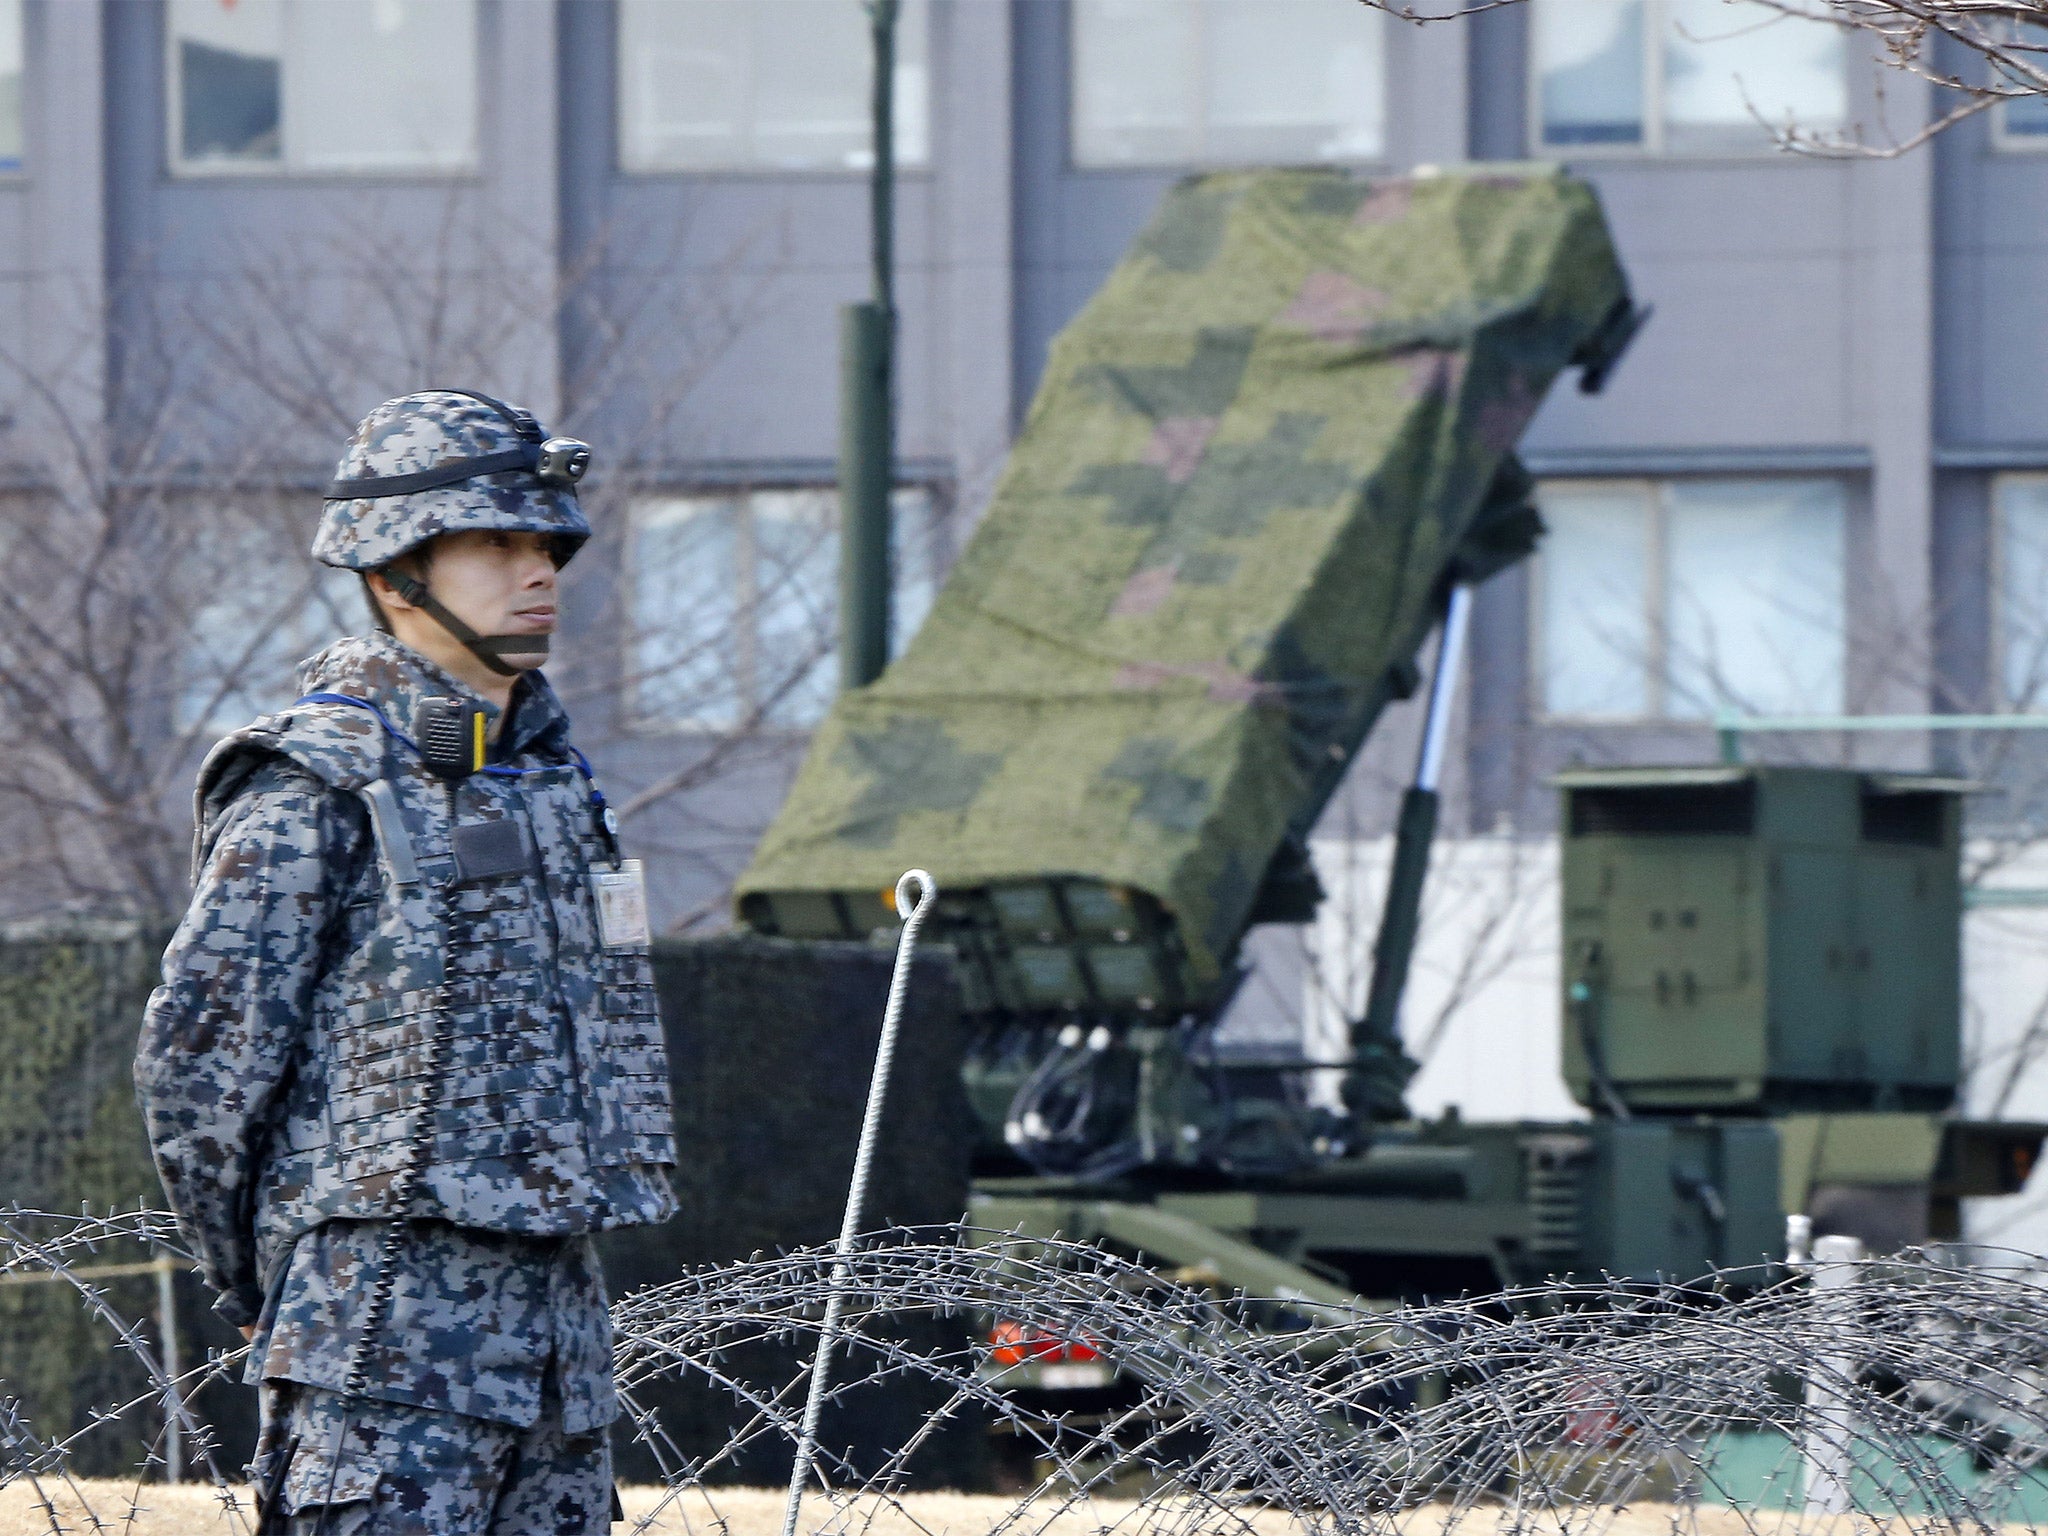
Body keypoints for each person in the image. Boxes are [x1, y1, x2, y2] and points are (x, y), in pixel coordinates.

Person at [134, 389, 677, 1535]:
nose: (537, 573)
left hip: (553, 1356)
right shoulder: (312, 783)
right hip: (380, 1340)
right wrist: (255, 1281)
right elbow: (201, 1064)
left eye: (544, 545)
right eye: (493, 544)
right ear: (394, 573)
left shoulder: (553, 786)